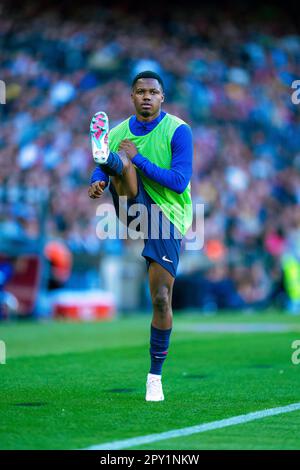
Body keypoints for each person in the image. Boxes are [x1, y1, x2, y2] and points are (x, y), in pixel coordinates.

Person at [88, 71, 193, 401]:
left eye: (153, 92)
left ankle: (154, 377)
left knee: (161, 298)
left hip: (168, 217)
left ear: (162, 98)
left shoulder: (178, 130)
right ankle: (108, 157)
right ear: (132, 97)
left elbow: (178, 182)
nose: (146, 96)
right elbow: (102, 170)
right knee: (120, 165)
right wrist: (98, 179)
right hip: (132, 207)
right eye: (140, 92)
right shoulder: (120, 131)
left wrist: (138, 158)